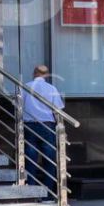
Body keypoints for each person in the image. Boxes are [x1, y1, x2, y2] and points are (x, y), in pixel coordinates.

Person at [23, 64, 64, 195]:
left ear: (34, 73)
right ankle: (48, 194)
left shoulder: (25, 87)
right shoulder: (52, 88)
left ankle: (31, 191)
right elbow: (57, 110)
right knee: (49, 160)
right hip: (47, 126)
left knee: (30, 159)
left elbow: (18, 106)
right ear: (46, 75)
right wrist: (61, 128)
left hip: (29, 125)